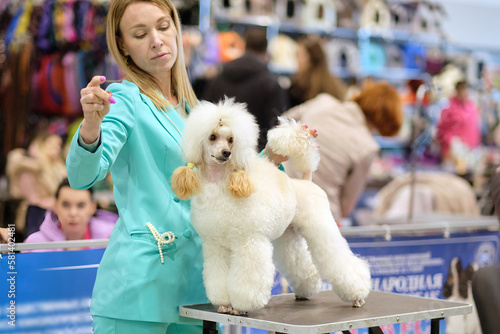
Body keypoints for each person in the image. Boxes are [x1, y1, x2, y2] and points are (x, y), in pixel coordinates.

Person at [65, 0, 210, 332]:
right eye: (140, 34)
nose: (157, 40)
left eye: (162, 27)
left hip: (194, 291)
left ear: (175, 27)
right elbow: (82, 176)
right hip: (138, 291)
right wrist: (90, 127)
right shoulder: (124, 99)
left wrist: (274, 156)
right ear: (123, 47)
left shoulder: (199, 109)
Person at [280, 81, 403, 223]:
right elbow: (347, 206)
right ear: (387, 120)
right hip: (319, 217)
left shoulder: (323, 102)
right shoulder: (367, 147)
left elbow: (282, 122)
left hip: (280, 195)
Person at [202, 27, 287, 151]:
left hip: (218, 152)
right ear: (265, 51)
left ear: (244, 46)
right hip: (255, 157)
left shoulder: (218, 78)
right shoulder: (270, 83)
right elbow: (276, 127)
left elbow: (204, 114)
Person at [23, 178, 117, 252]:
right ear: (55, 206)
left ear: (92, 207)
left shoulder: (113, 238)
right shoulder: (35, 244)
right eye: (65, 205)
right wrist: (8, 252)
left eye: (81, 205)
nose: (73, 213)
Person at [6, 131, 67, 238]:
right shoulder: (29, 167)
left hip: (54, 216)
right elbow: (31, 199)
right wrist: (54, 202)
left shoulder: (59, 168)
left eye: (58, 144)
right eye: (52, 144)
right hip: (35, 217)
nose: (56, 148)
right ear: (41, 145)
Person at [287, 35, 347, 108]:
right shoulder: (335, 84)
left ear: (310, 58)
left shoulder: (299, 88)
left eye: (299, 55)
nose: (296, 59)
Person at [436, 80, 481, 161]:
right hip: (454, 153)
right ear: (457, 91)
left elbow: (475, 128)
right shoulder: (449, 108)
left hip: (471, 151)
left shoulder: (471, 107)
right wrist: (451, 143)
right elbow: (441, 130)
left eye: (466, 89)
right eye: (462, 90)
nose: (465, 92)